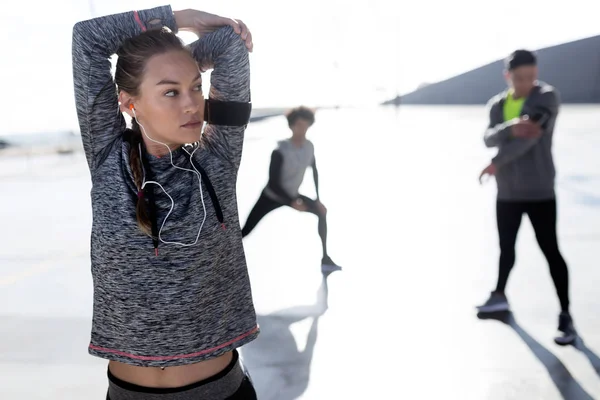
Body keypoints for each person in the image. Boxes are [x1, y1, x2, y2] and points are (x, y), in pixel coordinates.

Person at [72, 5, 259, 399]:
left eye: (195, 87)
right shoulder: (109, 159)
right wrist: (180, 17)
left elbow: (230, 44)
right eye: (170, 92)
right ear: (128, 103)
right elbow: (87, 38)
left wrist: (183, 59)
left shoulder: (219, 156)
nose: (191, 104)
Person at [476, 49, 576, 345]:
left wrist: (496, 161)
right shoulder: (498, 104)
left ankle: (566, 315)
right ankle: (499, 296)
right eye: (519, 78)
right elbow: (488, 137)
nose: (526, 83)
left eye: (531, 76)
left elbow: (530, 137)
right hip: (507, 193)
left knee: (550, 250)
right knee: (506, 247)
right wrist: (509, 127)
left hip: (539, 192)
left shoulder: (546, 97)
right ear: (508, 76)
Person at [241, 106, 341, 273]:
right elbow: (273, 183)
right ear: (291, 125)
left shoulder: (309, 147)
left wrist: (317, 199)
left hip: (293, 194)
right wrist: (292, 202)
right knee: (245, 230)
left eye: (306, 125)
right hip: (272, 196)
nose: (302, 129)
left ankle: (325, 259)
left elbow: (314, 171)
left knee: (321, 212)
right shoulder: (280, 150)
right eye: (299, 125)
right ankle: (217, 257)